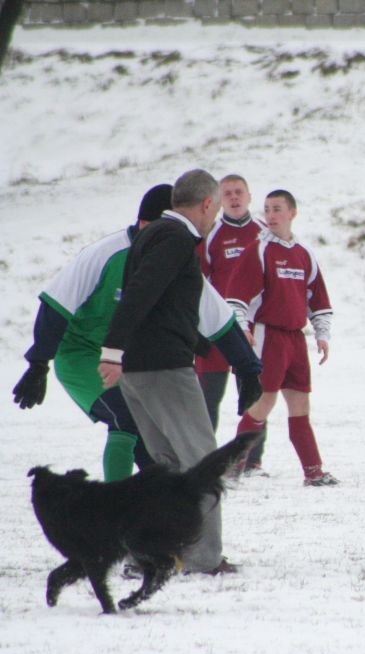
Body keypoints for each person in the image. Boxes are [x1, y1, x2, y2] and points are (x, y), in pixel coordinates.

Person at [99, 169, 264, 576]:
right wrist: (112, 350)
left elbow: (166, 307)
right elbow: (140, 294)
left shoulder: (152, 235)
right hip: (164, 370)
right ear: (207, 204)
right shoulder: (174, 238)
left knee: (165, 468)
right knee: (202, 462)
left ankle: (151, 554)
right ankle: (202, 558)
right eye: (216, 209)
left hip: (140, 369)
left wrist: (124, 352)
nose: (215, 218)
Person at [12, 185, 172, 481]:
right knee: (126, 416)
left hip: (125, 358)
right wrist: (38, 364)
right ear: (144, 223)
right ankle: (115, 500)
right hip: (81, 354)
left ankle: (161, 495)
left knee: (152, 429)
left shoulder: (170, 256)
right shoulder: (106, 254)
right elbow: (56, 304)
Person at [225, 189, 338, 487]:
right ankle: (232, 468)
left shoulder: (304, 253)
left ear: (292, 213)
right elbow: (236, 298)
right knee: (264, 403)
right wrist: (243, 327)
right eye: (267, 209)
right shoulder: (259, 250)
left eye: (277, 209)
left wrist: (322, 334)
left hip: (295, 339)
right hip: (268, 335)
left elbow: (317, 298)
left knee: (300, 405)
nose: (271, 215)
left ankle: (314, 473)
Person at [196, 173, 268, 472]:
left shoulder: (264, 232)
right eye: (228, 193)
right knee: (208, 397)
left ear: (249, 197)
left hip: (250, 329)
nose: (234, 197)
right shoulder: (210, 234)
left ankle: (251, 461)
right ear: (218, 200)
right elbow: (198, 280)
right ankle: (203, 458)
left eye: (239, 192)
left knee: (253, 395)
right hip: (216, 328)